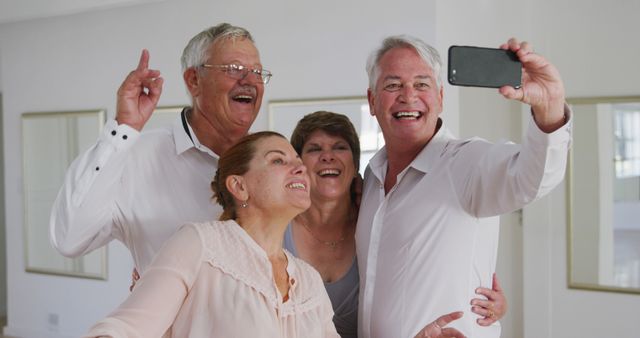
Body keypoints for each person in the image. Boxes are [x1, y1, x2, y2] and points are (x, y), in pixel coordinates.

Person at [84, 131, 466, 338]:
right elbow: (125, 328)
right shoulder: (198, 244)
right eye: (279, 161)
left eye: (298, 163)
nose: (299, 169)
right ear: (239, 186)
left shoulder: (309, 284)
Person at [356, 36, 571, 338]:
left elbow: (532, 178)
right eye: (393, 85)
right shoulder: (371, 177)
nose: (408, 96)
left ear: (440, 98)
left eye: (422, 84)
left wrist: (549, 106)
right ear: (372, 101)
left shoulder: (466, 163)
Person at [49, 23, 270, 273]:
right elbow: (69, 240)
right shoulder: (134, 158)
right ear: (194, 80)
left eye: (257, 72)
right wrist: (124, 127)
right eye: (235, 69)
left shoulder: (275, 162)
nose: (250, 81)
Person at [287, 111, 508, 338]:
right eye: (314, 149)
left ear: (354, 166)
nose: (327, 156)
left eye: (339, 147)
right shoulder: (277, 227)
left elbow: (427, 268)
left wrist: (484, 302)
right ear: (299, 165)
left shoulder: (374, 222)